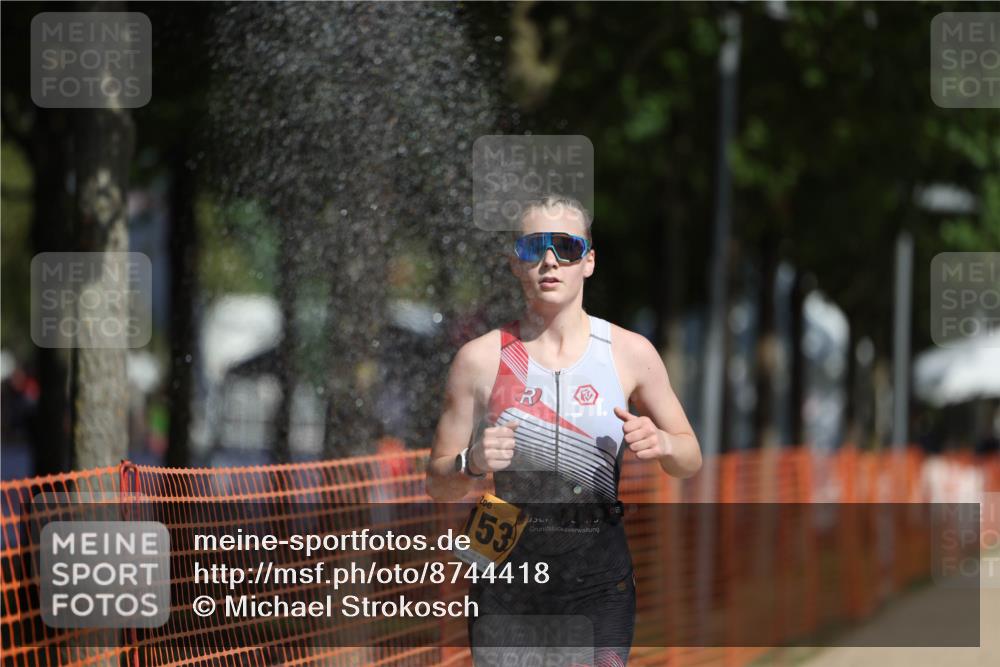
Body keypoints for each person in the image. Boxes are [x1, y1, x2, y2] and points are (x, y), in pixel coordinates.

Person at [427, 194, 702, 666]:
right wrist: (469, 463)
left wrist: (662, 443)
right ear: (516, 262)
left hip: (597, 569)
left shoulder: (629, 352)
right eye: (534, 247)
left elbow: (690, 457)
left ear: (589, 261)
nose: (550, 260)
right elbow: (437, 483)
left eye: (567, 247)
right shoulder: (480, 359)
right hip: (502, 562)